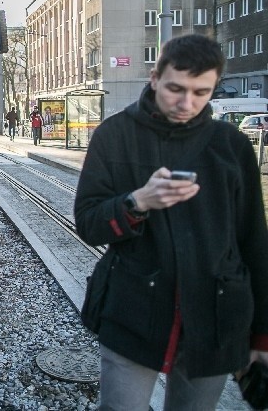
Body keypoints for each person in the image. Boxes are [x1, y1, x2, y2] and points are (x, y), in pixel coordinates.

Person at [74, 34, 268, 410]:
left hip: (215, 317)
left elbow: (255, 243)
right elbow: (87, 222)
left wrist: (261, 339)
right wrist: (137, 202)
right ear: (154, 78)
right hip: (133, 311)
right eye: (176, 89)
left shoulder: (232, 146)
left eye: (201, 92)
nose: (187, 103)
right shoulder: (114, 136)